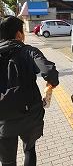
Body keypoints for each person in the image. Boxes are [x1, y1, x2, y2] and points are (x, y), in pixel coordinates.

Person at [0, 16, 59, 166]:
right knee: (29, 150)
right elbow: (49, 71)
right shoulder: (28, 51)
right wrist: (51, 83)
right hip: (29, 114)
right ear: (19, 34)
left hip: (3, 118)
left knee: (7, 162)